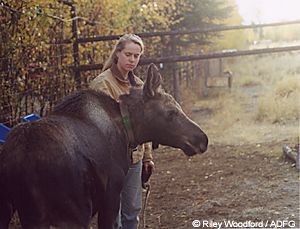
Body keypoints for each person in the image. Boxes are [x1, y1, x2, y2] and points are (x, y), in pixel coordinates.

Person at [89, 34, 154, 229]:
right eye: (128, 54)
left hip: (134, 158)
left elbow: (146, 125)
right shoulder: (102, 84)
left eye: (137, 56)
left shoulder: (140, 85)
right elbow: (101, 126)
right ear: (117, 53)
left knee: (132, 210)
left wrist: (147, 157)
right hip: (110, 161)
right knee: (112, 213)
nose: (132, 60)